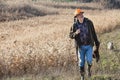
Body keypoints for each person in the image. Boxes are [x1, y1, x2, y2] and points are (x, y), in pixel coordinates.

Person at [69, 8, 100, 79]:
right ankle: (82, 76)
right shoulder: (74, 25)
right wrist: (75, 33)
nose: (81, 15)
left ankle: (88, 70)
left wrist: (96, 42)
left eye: (82, 14)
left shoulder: (89, 22)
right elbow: (70, 35)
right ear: (76, 17)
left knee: (89, 60)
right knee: (81, 62)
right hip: (80, 47)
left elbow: (93, 33)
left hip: (89, 45)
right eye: (79, 15)